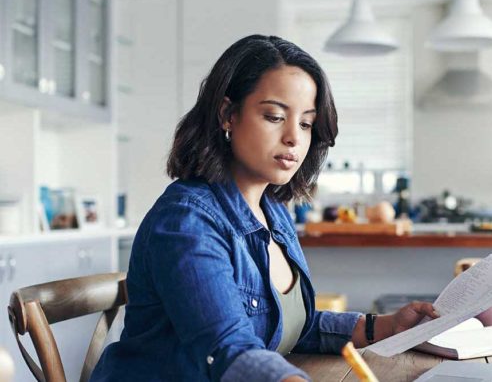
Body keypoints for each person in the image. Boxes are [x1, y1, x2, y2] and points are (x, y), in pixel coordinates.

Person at [91, 34, 437, 382]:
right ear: (228, 114)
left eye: (305, 123)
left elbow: (288, 326)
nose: (294, 137)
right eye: (274, 116)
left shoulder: (274, 212)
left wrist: (384, 326)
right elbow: (229, 349)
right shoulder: (186, 221)